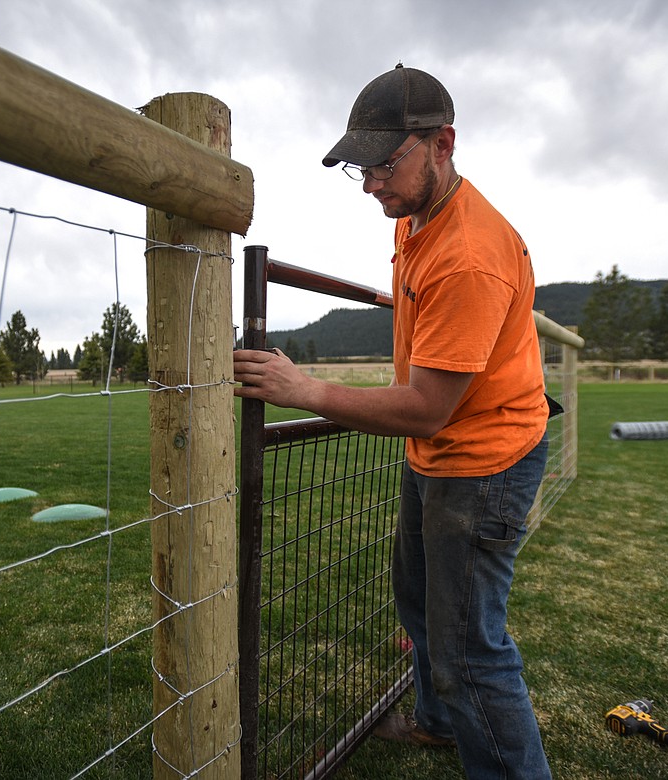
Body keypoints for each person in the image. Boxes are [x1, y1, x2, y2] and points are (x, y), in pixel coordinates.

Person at [232, 64, 552, 779]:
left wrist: (303, 387)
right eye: (360, 168)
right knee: (418, 600)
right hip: (440, 453)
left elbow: (428, 408)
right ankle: (439, 724)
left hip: (482, 460)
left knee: (471, 647)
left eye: (384, 164)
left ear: (443, 143)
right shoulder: (420, 215)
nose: (371, 183)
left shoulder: (469, 254)